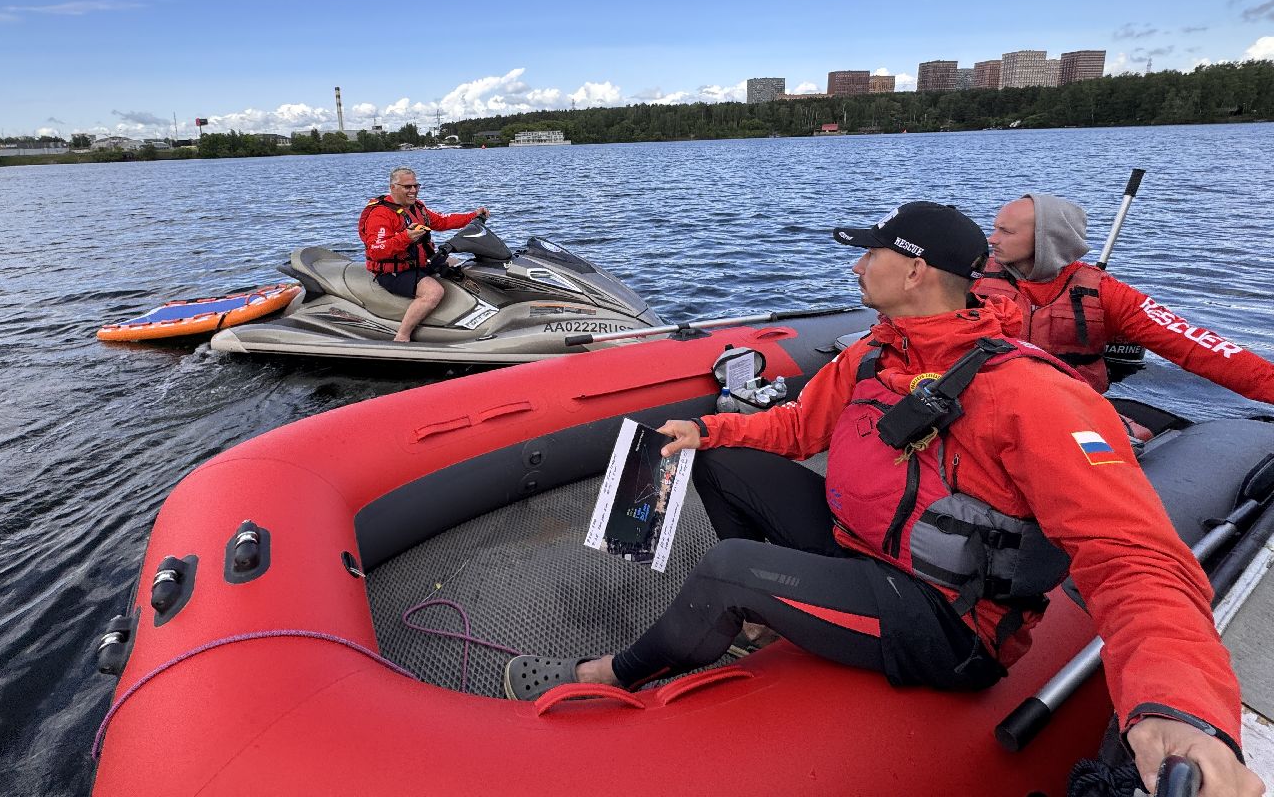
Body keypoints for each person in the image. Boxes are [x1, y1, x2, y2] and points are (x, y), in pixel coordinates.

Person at [502, 202, 1261, 797]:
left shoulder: (1033, 395)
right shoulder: (874, 350)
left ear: (917, 273)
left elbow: (1134, 561)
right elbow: (799, 427)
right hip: (863, 553)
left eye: (873, 252)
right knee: (724, 462)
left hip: (945, 619)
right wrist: (710, 430)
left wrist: (1178, 706)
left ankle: (606, 676)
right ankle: (771, 619)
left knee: (729, 568)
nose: (859, 264)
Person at [975, 194, 1274, 401]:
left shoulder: (1105, 293)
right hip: (990, 399)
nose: (992, 239)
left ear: (1045, 240)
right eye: (994, 228)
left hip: (1067, 407)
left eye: (1006, 231)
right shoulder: (970, 278)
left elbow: (1195, 346)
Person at [358, 167, 487, 342]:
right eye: (407, 187)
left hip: (418, 263)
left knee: (462, 266)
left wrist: (473, 216)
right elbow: (376, 250)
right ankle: (402, 336)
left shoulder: (417, 207)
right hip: (394, 272)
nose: (413, 191)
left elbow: (442, 221)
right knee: (433, 292)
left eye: (416, 186)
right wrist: (405, 237)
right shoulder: (380, 214)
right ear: (393, 187)